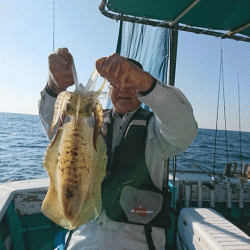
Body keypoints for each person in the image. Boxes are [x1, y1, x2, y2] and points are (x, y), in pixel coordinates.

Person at [39, 47, 198, 250]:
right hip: (83, 241)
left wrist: (146, 83)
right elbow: (57, 133)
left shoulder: (156, 131)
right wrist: (54, 85)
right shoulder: (89, 124)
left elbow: (183, 128)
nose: (122, 90)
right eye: (116, 85)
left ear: (141, 91)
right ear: (109, 89)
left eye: (130, 84)